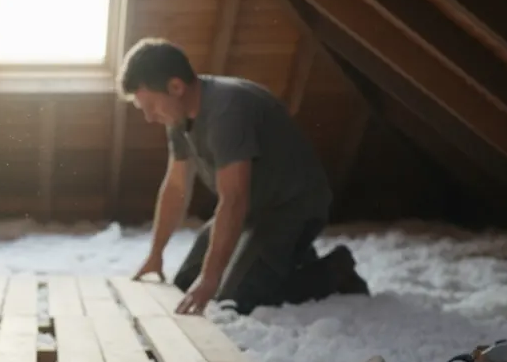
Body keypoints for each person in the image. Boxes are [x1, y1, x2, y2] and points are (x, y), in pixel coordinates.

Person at [117, 38, 369, 315]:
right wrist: (156, 254)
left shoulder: (227, 111)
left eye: (151, 107)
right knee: (186, 284)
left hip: (291, 207)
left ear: (176, 87)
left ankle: (335, 270)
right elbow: (176, 186)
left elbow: (234, 199)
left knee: (234, 298)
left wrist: (212, 278)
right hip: (253, 208)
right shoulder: (177, 115)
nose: (150, 118)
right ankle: (284, 257)